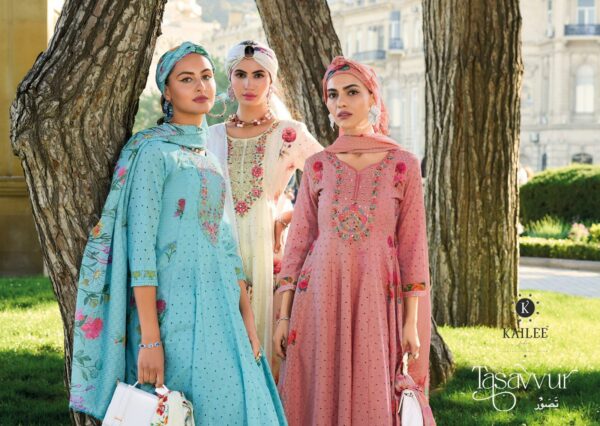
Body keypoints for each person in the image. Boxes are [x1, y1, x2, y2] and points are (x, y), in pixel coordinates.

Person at [69, 42, 286, 425]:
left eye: (206, 76)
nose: (201, 86)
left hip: (222, 310)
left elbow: (224, 242)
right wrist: (150, 339)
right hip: (173, 315)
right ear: (167, 92)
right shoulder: (153, 153)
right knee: (182, 409)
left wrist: (248, 324)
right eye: (187, 79)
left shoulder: (208, 156)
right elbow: (140, 249)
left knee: (242, 406)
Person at [273, 56, 436, 425]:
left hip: (377, 297)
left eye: (351, 92)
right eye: (333, 95)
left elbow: (413, 247)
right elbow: (298, 245)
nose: (340, 102)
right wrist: (283, 315)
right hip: (320, 297)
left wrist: (411, 322)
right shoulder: (318, 165)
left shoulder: (403, 164)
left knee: (373, 387)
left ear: (372, 98)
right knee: (319, 387)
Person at [207, 40, 322, 363]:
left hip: (268, 253)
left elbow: (331, 183)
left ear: (271, 80)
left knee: (269, 352)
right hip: (220, 250)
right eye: (240, 74)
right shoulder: (211, 136)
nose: (249, 84)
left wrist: (286, 218)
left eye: (258, 75)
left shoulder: (290, 134)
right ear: (229, 79)